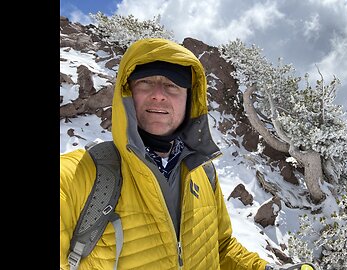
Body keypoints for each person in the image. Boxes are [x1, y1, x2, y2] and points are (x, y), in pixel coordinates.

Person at [60, 38, 315, 270]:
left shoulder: (201, 171)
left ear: (189, 100)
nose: (158, 95)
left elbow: (220, 247)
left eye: (172, 85)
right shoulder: (76, 176)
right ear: (127, 93)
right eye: (146, 82)